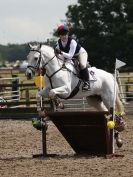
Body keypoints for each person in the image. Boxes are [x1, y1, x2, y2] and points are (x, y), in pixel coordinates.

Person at [54, 25, 90, 91]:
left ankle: (87, 83)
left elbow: (70, 56)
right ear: (60, 35)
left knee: (82, 65)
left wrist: (61, 53)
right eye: (62, 35)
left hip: (80, 54)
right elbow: (57, 55)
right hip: (68, 56)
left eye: (65, 34)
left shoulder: (72, 42)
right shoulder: (58, 43)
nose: (64, 36)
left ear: (68, 34)